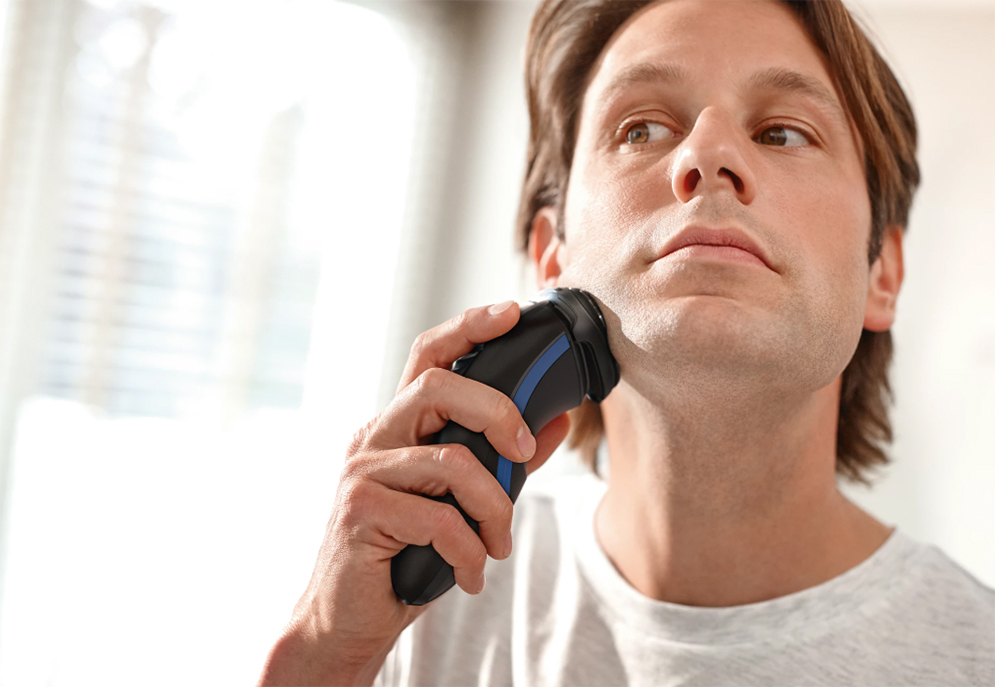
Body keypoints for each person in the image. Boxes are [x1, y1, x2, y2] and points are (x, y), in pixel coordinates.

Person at [257, 0, 995, 685]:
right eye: (640, 128)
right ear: (553, 256)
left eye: (781, 132)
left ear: (882, 272)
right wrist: (324, 651)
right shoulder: (411, 607)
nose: (707, 156)